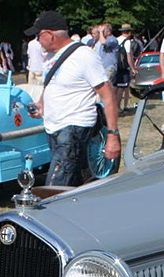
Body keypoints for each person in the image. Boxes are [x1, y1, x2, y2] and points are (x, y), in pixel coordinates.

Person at [25, 11, 120, 186]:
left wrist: (112, 136)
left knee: (53, 190)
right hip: (54, 130)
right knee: (74, 187)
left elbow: (108, 95)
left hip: (73, 131)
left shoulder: (84, 55)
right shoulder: (52, 57)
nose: (37, 41)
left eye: (38, 36)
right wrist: (41, 105)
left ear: (50, 34)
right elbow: (52, 85)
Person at [116, 24, 141, 112]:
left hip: (116, 66)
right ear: (129, 32)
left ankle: (117, 106)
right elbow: (129, 56)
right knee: (121, 88)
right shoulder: (127, 42)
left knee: (117, 87)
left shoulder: (116, 40)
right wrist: (133, 68)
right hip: (123, 67)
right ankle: (118, 107)